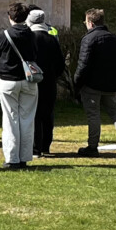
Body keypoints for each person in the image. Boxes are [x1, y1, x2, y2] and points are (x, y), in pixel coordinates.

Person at [0, 1, 40, 170]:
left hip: (8, 80)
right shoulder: (31, 34)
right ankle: (25, 157)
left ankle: (12, 158)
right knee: (27, 119)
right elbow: (35, 54)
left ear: (10, 16)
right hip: (28, 80)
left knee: (11, 119)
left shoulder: (4, 35)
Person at [71, 8, 116, 157]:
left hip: (92, 85)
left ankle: (92, 146)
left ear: (90, 22)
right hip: (111, 84)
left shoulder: (88, 39)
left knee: (93, 115)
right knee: (115, 112)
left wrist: (76, 84)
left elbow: (83, 65)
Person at [27, 9, 66, 159]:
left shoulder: (30, 38)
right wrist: (53, 75)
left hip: (33, 81)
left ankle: (36, 147)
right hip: (50, 81)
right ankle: (46, 145)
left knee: (35, 114)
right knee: (47, 114)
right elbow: (60, 63)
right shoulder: (52, 39)